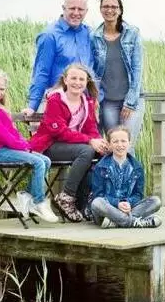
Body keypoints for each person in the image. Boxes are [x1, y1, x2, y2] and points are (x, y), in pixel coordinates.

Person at [0, 68, 58, 223]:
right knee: (37, 162)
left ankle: (27, 196)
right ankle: (38, 202)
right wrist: (23, 147)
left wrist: (25, 144)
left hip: (8, 149)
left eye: (1, 89)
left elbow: (12, 132)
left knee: (45, 160)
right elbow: (0, 134)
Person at [30, 63, 108, 222]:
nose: (77, 82)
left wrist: (99, 142)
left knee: (100, 152)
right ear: (65, 80)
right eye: (73, 78)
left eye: (81, 79)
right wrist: (89, 141)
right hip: (49, 145)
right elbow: (59, 131)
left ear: (87, 83)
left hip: (73, 146)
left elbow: (90, 128)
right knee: (86, 151)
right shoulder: (55, 100)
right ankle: (66, 197)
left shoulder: (87, 102)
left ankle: (85, 202)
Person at [23, 0, 94, 116]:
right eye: (72, 8)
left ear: (86, 11)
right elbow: (41, 72)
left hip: (81, 104)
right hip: (54, 103)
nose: (76, 13)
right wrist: (32, 106)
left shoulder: (89, 34)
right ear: (63, 8)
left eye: (80, 9)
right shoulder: (49, 35)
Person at [91, 0, 145, 152]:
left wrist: (130, 101)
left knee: (126, 146)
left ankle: (130, 178)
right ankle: (113, 178)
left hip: (131, 100)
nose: (110, 10)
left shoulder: (132, 34)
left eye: (114, 7)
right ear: (100, 9)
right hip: (107, 101)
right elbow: (93, 71)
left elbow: (137, 69)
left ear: (120, 10)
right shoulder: (94, 37)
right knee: (113, 146)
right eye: (106, 6)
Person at [89, 126, 162, 229]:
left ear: (129, 143)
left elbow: (138, 195)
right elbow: (98, 195)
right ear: (109, 144)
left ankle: (117, 222)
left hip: (128, 209)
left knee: (156, 201)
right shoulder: (100, 167)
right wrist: (117, 203)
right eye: (115, 142)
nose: (120, 145)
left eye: (123, 141)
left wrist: (128, 203)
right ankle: (134, 222)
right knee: (96, 203)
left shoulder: (137, 167)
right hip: (108, 211)